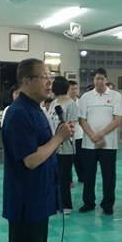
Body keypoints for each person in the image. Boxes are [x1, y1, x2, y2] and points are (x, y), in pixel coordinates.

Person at [2, 58, 73, 242]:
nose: (49, 81)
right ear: (26, 81)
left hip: (37, 196)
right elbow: (30, 160)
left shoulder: (34, 108)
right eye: (43, 76)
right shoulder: (20, 113)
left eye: (49, 76)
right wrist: (58, 138)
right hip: (26, 200)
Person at [78, 68, 122, 215]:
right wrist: (92, 136)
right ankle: (88, 202)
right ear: (93, 80)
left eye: (101, 78)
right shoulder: (85, 97)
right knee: (88, 175)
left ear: (106, 79)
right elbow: (82, 119)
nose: (99, 81)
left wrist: (100, 134)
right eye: (96, 78)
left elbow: (118, 119)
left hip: (109, 144)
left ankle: (108, 204)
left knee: (109, 176)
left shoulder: (117, 96)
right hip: (89, 143)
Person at [47, 76, 80, 214]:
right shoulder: (54, 103)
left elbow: (71, 127)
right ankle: (55, 203)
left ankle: (66, 205)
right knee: (54, 177)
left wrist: (60, 139)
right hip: (52, 146)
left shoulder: (71, 104)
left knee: (64, 178)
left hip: (66, 147)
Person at [67, 80, 85, 183]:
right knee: (69, 159)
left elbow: (83, 117)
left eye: (76, 88)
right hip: (68, 135)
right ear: (67, 90)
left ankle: (82, 177)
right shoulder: (65, 102)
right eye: (72, 89)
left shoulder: (81, 102)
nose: (74, 91)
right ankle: (69, 180)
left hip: (79, 134)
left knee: (80, 158)